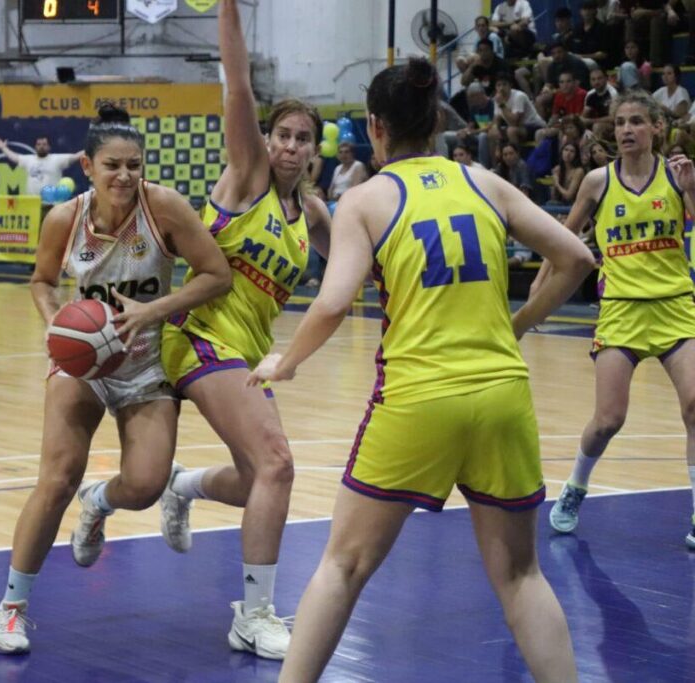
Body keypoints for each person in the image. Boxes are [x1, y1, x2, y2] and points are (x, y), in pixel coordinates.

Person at [250, 57, 592, 683]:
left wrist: (286, 361)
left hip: (418, 398)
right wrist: (518, 325)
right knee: (521, 577)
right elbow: (575, 258)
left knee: (343, 566)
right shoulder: (484, 181)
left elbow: (331, 301)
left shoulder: (364, 199)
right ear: (435, 121)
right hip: (501, 394)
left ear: (375, 128)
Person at [0, 104, 231, 655]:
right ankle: (11, 608)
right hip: (83, 363)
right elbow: (42, 281)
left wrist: (154, 310)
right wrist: (57, 327)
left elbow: (218, 276)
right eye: (112, 166)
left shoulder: (163, 209)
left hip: (145, 363)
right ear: (87, 167)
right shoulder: (63, 219)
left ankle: (99, 503)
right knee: (56, 478)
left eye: (134, 165)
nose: (124, 176)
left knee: (144, 486)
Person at [156, 0, 332, 660]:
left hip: (246, 356)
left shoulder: (312, 213)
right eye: (281, 133)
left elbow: (360, 272)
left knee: (260, 474)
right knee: (279, 465)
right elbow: (237, 81)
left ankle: (184, 485)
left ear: (317, 149)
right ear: (267, 138)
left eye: (302, 138)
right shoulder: (249, 174)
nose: (289, 145)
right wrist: (229, 9)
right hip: (196, 332)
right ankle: (253, 613)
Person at [545, 91, 695, 549]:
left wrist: (690, 190)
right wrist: (543, 286)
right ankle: (575, 487)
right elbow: (562, 236)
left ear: (655, 128)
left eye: (636, 121)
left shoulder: (677, 176)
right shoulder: (596, 181)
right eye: (620, 122)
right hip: (621, 310)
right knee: (609, 419)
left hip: (676, 306)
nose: (627, 129)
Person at [0, 136, 83, 197]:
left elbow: (75, 157)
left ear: (49, 147)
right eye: (39, 144)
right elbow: (14, 157)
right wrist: (3, 148)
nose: (41, 147)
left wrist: (91, 149)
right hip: (32, 204)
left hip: (51, 204)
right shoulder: (28, 160)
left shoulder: (57, 159)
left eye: (44, 144)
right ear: (35, 147)